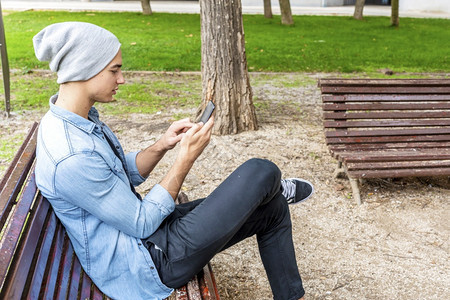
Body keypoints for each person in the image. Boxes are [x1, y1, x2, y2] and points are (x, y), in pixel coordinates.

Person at [33, 22, 314, 300]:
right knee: (261, 171)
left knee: (273, 207)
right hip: (148, 263)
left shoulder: (77, 120)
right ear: (84, 69)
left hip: (150, 235)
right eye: (114, 70)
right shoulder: (71, 155)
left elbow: (123, 173)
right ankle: (272, 186)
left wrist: (163, 144)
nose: (122, 79)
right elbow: (141, 222)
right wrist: (185, 158)